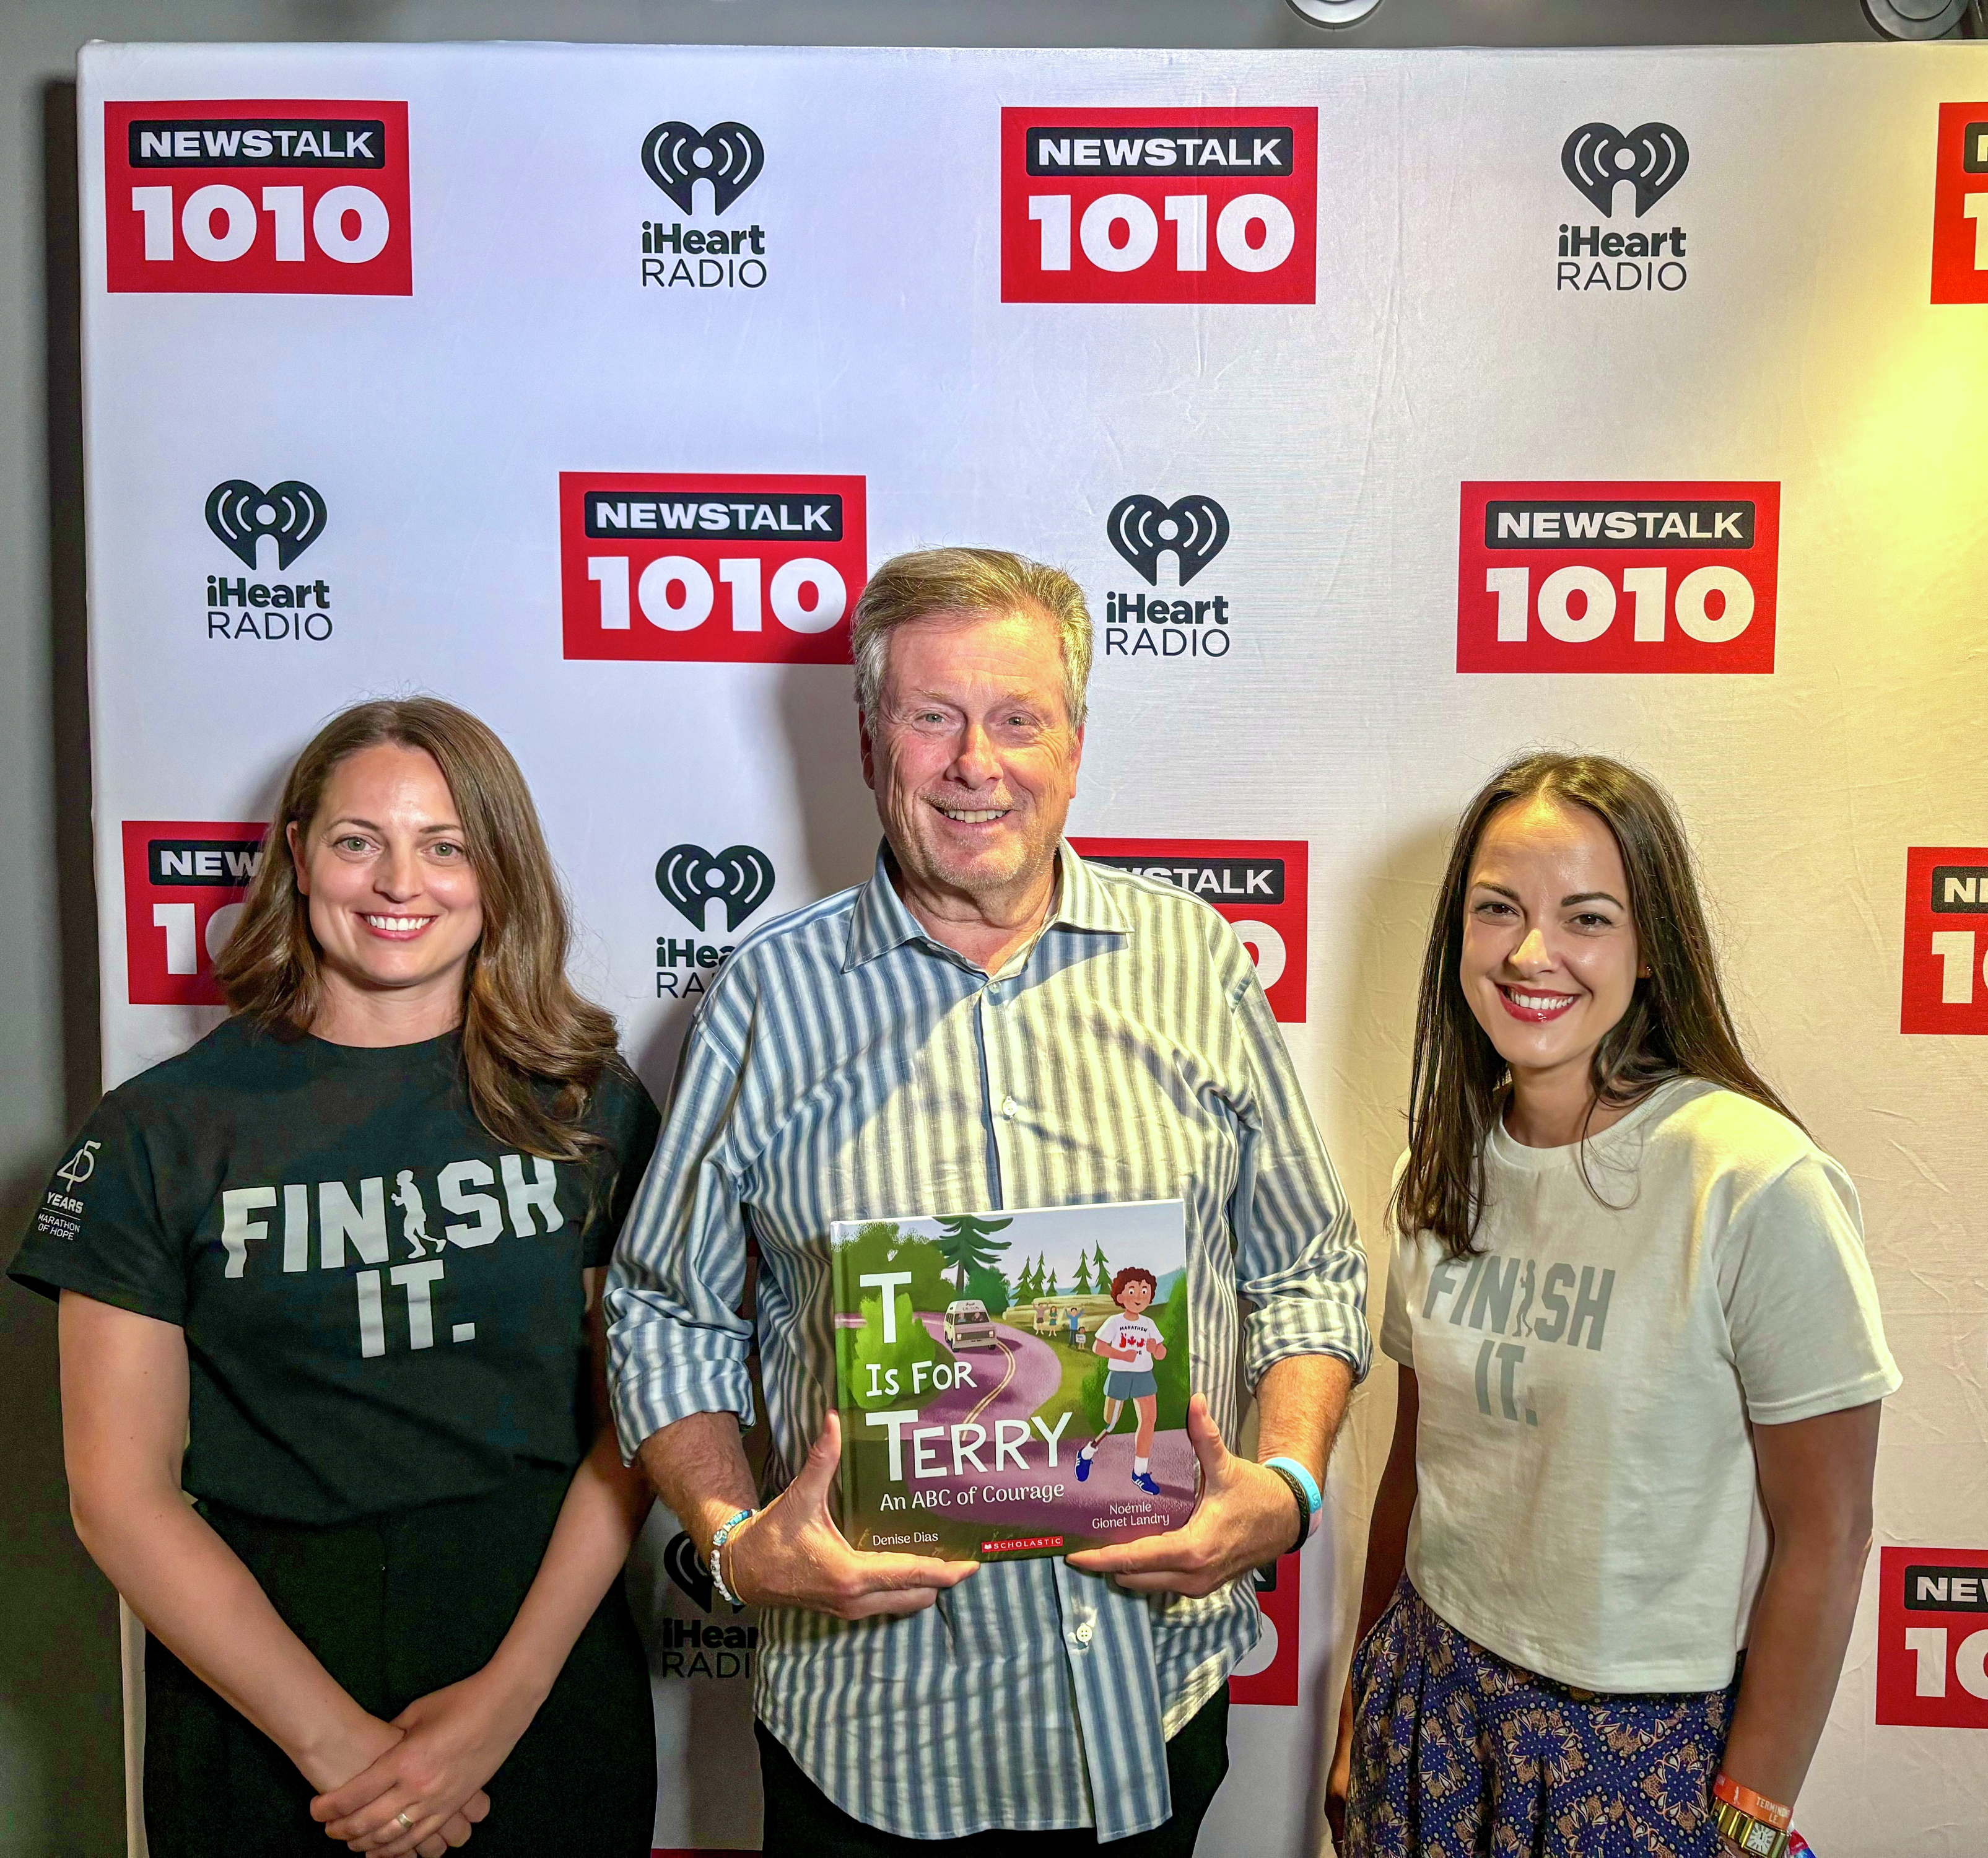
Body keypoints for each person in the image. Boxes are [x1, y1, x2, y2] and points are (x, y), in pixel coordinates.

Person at [608, 547, 1368, 1852]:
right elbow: (664, 1312)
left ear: (1075, 744)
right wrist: (735, 1545)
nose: (978, 763)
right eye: (932, 717)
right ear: (868, 742)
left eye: (1019, 718)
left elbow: (1308, 1268)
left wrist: (1288, 1483)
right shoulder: (764, 1001)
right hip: (867, 1730)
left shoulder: (1194, 964)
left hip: (1147, 1704)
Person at [11, 699, 661, 1858]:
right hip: (258, 1704)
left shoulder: (591, 1109)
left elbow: (638, 1435)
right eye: (360, 840)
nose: (398, 881)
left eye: (446, 844)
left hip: (537, 1674)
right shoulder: (159, 1133)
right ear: (301, 854)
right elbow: (119, 1493)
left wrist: (504, 1703)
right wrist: (339, 1752)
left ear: (498, 869)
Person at [1327, 752, 1899, 1858]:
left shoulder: (1752, 1181)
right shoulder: (1440, 1166)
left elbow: (1829, 1533)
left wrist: (1753, 1812)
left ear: (1651, 951)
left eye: (1586, 917)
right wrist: (1363, 1699)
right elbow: (1419, 1463)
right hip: (1430, 1700)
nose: (1533, 954)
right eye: (1499, 910)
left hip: (1639, 1747)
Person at [1077, 1266, 1168, 1494]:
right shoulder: (1115, 1322)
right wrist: (1122, 1356)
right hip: (1119, 1375)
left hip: (1144, 1376)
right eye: (1132, 1291)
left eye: (1144, 1291)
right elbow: (1098, 1347)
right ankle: (1087, 1453)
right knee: (1111, 1424)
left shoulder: (1148, 1324)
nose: (1139, 1297)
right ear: (1120, 1296)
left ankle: (1139, 1473)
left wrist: (1155, 1348)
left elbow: (1162, 1353)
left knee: (1149, 1421)